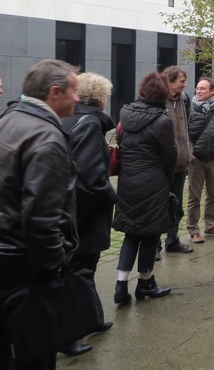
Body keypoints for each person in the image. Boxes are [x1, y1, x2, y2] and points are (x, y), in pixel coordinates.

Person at [0, 59, 80, 369]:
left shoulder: (8, 120)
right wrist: (52, 268)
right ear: (55, 92)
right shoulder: (46, 138)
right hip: (24, 270)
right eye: (73, 91)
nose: (78, 98)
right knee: (35, 354)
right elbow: (41, 219)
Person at [59, 72, 117, 357]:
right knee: (80, 270)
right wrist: (112, 197)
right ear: (101, 98)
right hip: (84, 213)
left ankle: (93, 318)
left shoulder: (68, 119)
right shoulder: (90, 124)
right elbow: (91, 178)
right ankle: (69, 336)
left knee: (81, 270)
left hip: (70, 209)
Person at [112, 72, 176, 305]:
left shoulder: (125, 113)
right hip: (153, 182)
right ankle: (145, 283)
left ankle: (121, 285)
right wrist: (166, 182)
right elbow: (170, 156)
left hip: (127, 181)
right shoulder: (162, 121)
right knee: (150, 234)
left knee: (132, 233)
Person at [186, 77, 214, 244]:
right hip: (195, 160)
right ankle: (193, 229)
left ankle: (210, 225)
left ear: (212, 91)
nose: (198, 91)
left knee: (213, 194)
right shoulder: (189, 109)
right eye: (197, 88)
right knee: (193, 196)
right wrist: (190, 154)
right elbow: (183, 134)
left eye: (202, 88)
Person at [161, 66, 193, 254]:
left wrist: (189, 148)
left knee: (177, 206)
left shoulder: (185, 99)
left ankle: (172, 241)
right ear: (170, 81)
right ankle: (154, 246)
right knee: (159, 205)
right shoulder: (157, 99)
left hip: (181, 163)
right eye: (182, 81)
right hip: (161, 166)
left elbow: (187, 126)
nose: (185, 84)